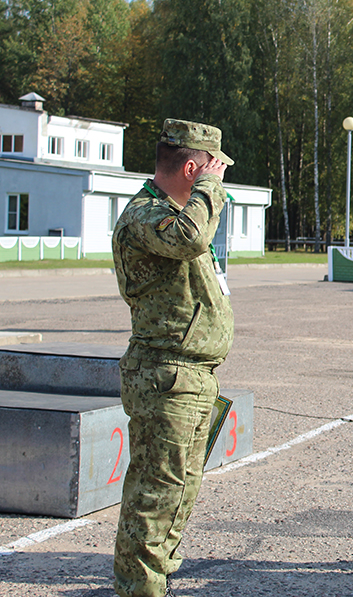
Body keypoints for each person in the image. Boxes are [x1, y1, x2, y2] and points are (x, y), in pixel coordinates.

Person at [112, 119, 235, 597]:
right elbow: (191, 238)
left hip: (190, 376)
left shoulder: (173, 213)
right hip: (167, 375)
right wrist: (209, 187)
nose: (217, 178)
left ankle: (155, 576)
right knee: (155, 494)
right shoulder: (147, 216)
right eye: (210, 169)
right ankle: (139, 587)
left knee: (178, 492)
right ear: (190, 168)